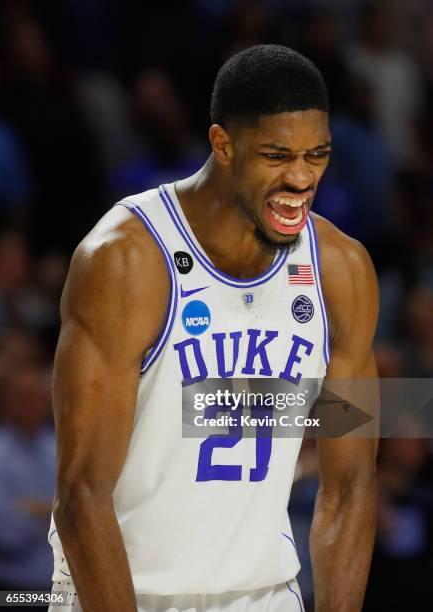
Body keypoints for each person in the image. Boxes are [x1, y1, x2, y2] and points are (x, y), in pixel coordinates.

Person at [48, 45, 378, 612]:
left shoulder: (341, 271)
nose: (301, 178)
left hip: (264, 594)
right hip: (124, 593)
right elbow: (81, 496)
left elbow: (350, 487)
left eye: (316, 155)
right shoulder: (126, 260)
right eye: (277, 155)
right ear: (223, 145)